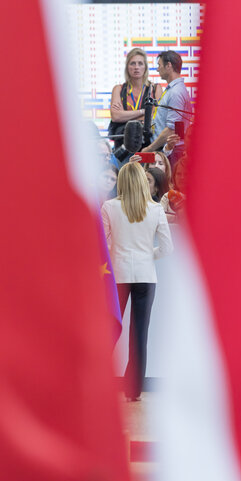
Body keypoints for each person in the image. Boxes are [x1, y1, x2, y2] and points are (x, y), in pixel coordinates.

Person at [102, 162, 172, 401]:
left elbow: (104, 243)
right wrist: (145, 255)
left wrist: (118, 254)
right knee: (140, 333)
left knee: (111, 329)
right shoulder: (155, 210)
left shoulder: (109, 207)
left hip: (119, 274)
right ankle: (134, 391)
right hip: (145, 275)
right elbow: (166, 248)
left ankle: (98, 380)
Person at [141, 50, 193, 162]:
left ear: (168, 65)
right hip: (168, 149)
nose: (157, 69)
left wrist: (149, 149)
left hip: (172, 152)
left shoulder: (176, 92)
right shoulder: (174, 90)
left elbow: (171, 129)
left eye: (159, 65)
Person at [108, 48, 163, 149]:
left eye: (140, 63)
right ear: (127, 67)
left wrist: (125, 116)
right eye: (132, 63)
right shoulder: (118, 89)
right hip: (123, 146)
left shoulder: (155, 89)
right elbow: (116, 117)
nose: (136, 67)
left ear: (145, 67)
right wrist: (143, 112)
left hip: (148, 145)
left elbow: (156, 117)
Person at [161, 156, 187, 223]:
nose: (182, 177)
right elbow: (159, 219)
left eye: (186, 174)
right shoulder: (166, 197)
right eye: (178, 174)